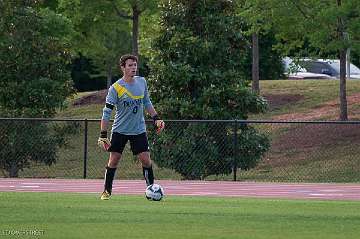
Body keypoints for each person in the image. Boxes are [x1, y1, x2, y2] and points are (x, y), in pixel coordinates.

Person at [97, 54, 164, 200]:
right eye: (130, 65)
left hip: (138, 129)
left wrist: (156, 118)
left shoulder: (142, 82)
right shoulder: (116, 88)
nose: (133, 68)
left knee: (146, 159)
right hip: (120, 130)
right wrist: (103, 134)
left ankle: (151, 190)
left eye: (135, 65)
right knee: (114, 159)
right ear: (123, 68)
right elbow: (107, 112)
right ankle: (107, 191)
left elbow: (146, 102)